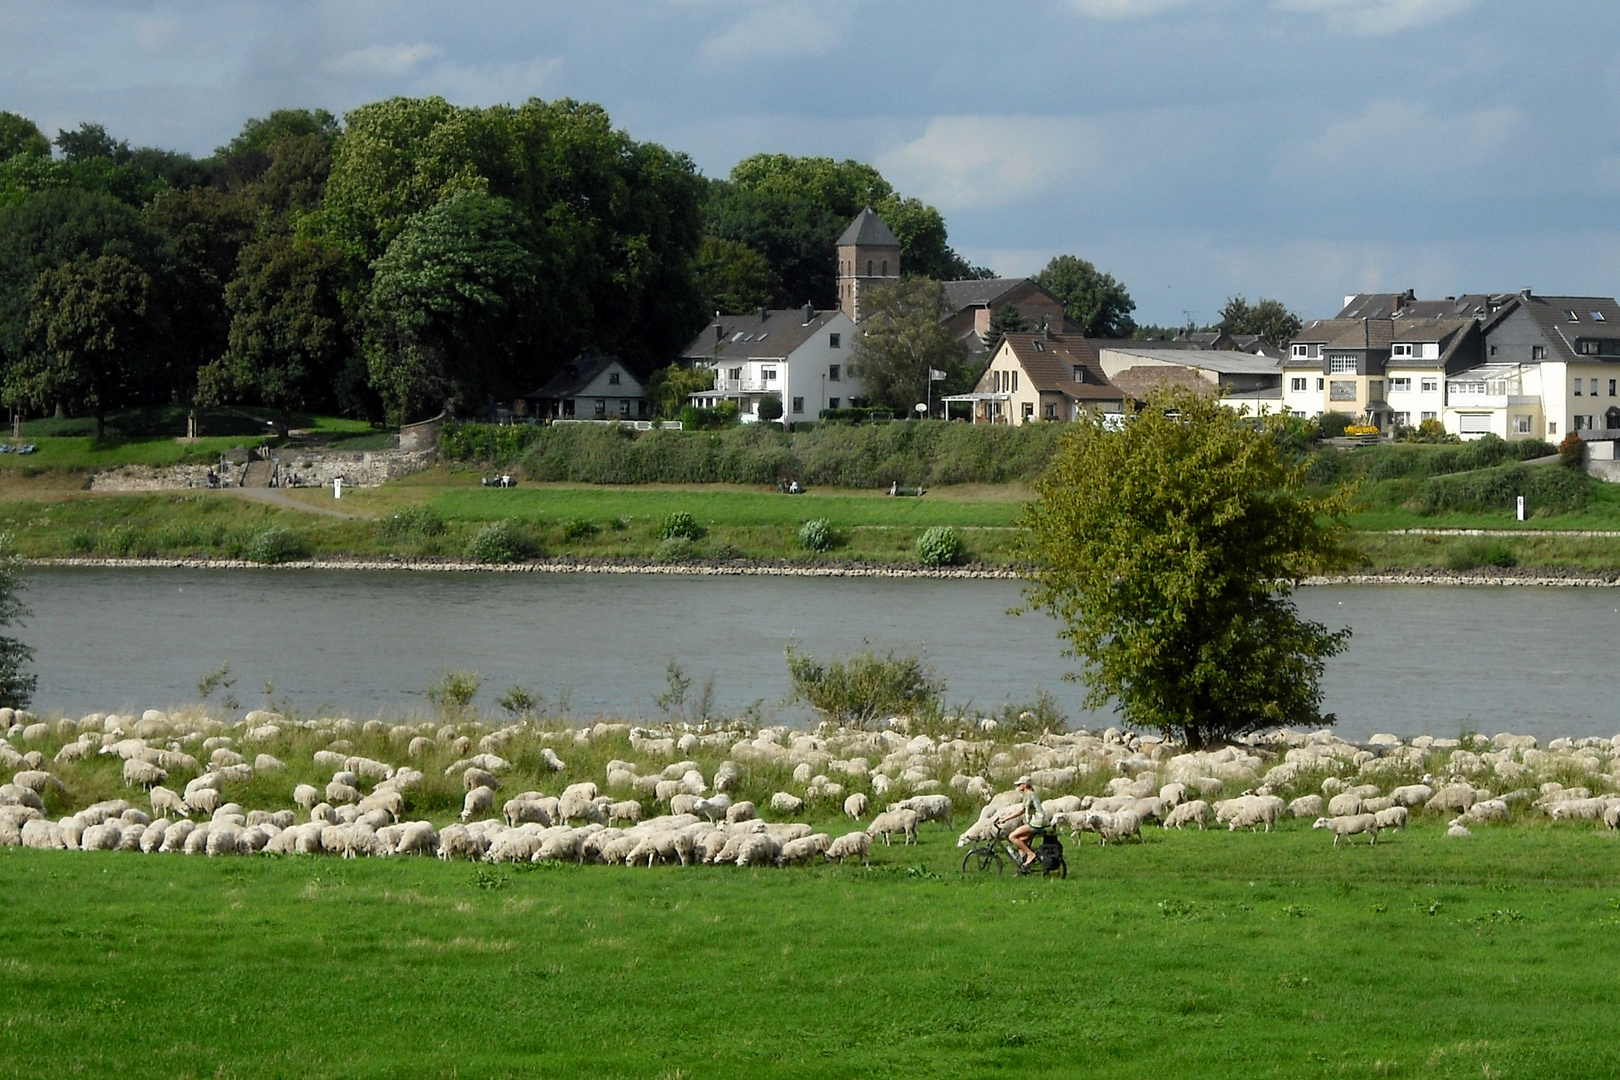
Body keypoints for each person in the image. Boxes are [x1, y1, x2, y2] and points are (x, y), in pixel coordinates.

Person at [998, 775, 1047, 870]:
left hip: (1036, 822)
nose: (1018, 786)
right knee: (1021, 841)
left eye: (1020, 784)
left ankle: (1030, 854)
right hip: (1038, 822)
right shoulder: (1030, 794)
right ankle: (1023, 866)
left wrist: (1005, 819)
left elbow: (1021, 811)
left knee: (1012, 836)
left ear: (1025, 785)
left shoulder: (1029, 795)